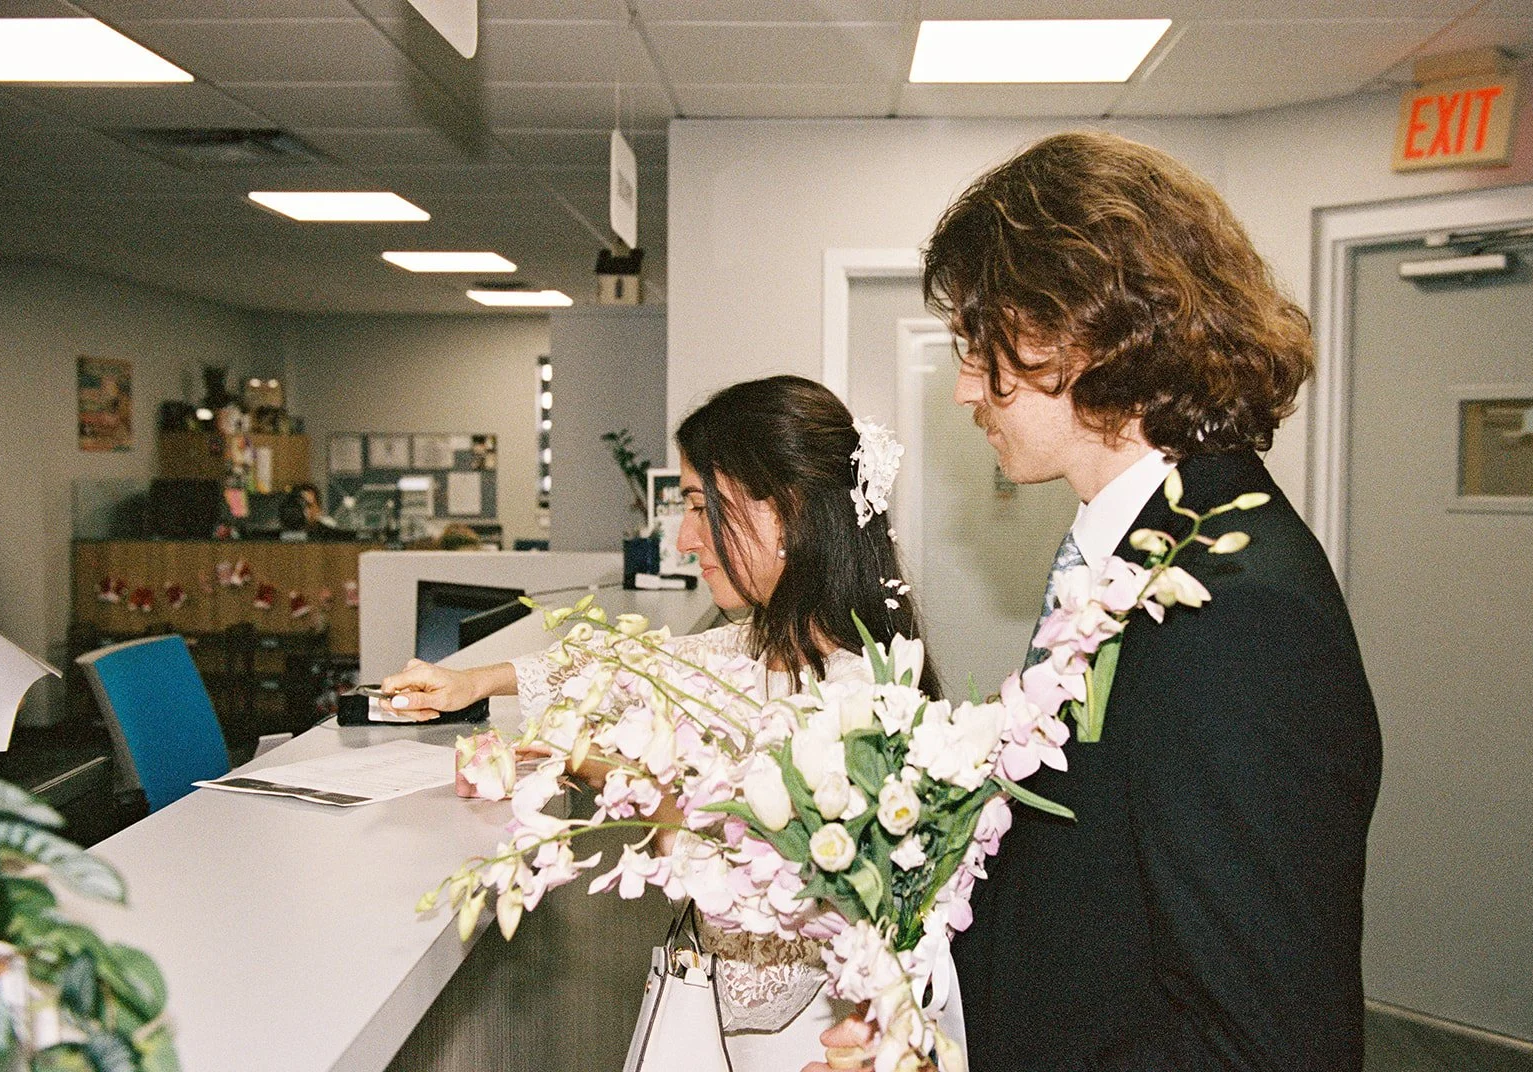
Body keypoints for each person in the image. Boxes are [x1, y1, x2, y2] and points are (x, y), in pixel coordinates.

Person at [849, 130, 1379, 1072]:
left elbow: (1264, 1045)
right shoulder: (1140, 543)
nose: (968, 385)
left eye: (982, 344)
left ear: (1090, 328)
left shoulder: (1236, 613)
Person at [381, 374, 959, 1072]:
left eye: (697, 506)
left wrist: (596, 764)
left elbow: (746, 935)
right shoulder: (768, 642)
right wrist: (477, 679)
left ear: (785, 512)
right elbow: (634, 659)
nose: (685, 539)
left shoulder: (853, 698)